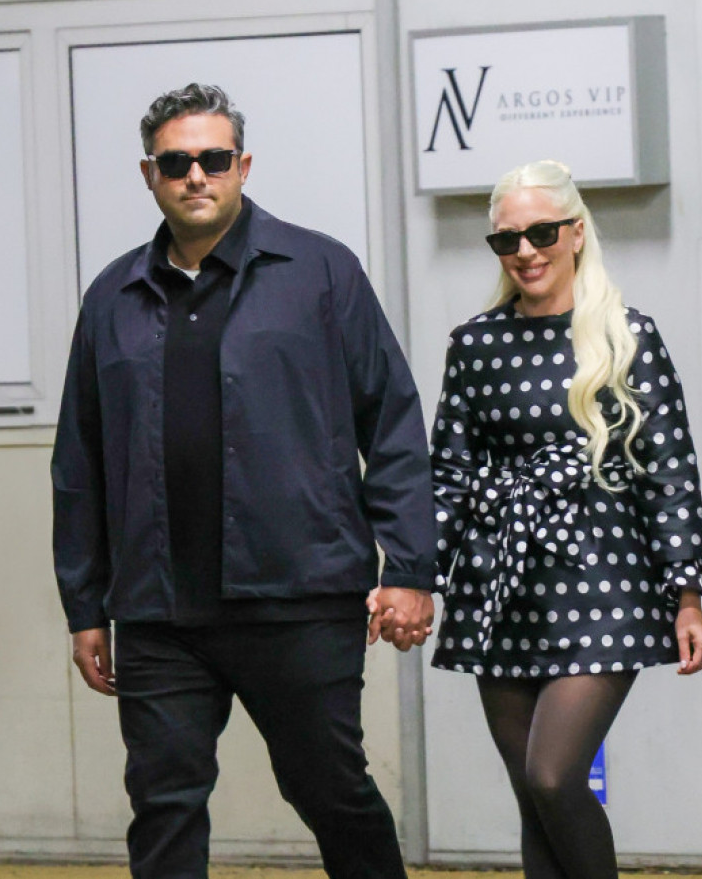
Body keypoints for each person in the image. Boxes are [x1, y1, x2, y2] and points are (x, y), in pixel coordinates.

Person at [52, 82, 435, 879]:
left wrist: (409, 569)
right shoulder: (111, 298)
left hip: (299, 598)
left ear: (243, 165)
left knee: (329, 788)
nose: (197, 175)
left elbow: (392, 422)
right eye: (177, 161)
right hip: (159, 612)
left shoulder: (322, 272)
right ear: (150, 174)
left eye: (214, 159)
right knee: (164, 802)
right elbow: (79, 461)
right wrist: (85, 605)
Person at [427, 159, 702, 879]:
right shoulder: (475, 344)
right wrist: (413, 577)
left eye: (540, 233)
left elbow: (670, 474)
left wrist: (687, 596)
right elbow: (449, 474)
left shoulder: (628, 337)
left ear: (575, 232)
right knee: (535, 800)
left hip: (604, 582)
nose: (526, 251)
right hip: (501, 589)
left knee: (555, 776)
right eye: (507, 240)